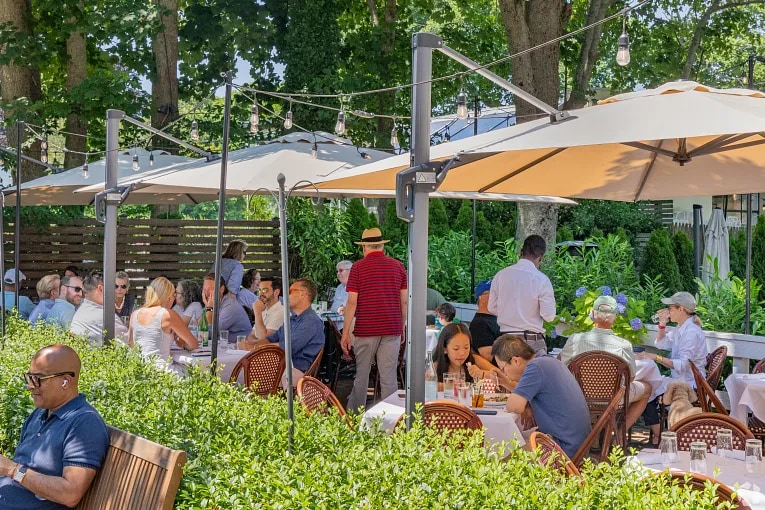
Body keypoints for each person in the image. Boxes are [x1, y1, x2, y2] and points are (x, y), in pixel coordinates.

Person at [0, 344, 109, 509]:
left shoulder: (84, 423)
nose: (30, 386)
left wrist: (13, 470)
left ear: (65, 381)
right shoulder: (40, 413)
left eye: (38, 379)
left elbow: (70, 493)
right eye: (29, 378)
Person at [559, 295, 651, 429]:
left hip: (579, 397)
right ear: (616, 317)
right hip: (613, 399)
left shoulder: (575, 340)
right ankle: (618, 434)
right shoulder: (624, 345)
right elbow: (631, 378)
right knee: (647, 389)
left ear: (592, 314)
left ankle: (594, 435)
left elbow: (561, 367)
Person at [493, 335, 591, 458]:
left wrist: (524, 404)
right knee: (511, 441)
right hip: (575, 443)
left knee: (499, 453)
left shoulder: (535, 367)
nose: (503, 373)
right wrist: (506, 383)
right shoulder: (547, 361)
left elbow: (514, 406)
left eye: (502, 368)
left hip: (562, 448)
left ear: (515, 361)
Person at [342, 227, 407, 411]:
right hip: (392, 328)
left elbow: (352, 302)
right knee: (389, 378)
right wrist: (401, 326)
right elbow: (404, 302)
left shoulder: (358, 267)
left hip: (366, 328)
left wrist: (345, 332)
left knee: (362, 376)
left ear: (364, 247)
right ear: (382, 247)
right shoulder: (398, 266)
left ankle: (354, 418)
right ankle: (392, 421)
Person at [636, 291, 708, 445]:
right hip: (679, 379)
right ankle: (659, 435)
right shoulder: (681, 328)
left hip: (688, 384)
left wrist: (655, 357)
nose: (668, 311)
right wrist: (662, 324)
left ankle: (659, 436)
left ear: (681, 309)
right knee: (646, 387)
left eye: (670, 308)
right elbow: (661, 344)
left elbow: (681, 366)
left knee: (645, 390)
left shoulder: (691, 333)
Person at [488, 234, 556, 356]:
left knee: (506, 375)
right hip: (531, 341)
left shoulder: (501, 275)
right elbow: (549, 316)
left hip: (505, 340)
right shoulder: (542, 280)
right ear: (541, 258)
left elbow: (491, 308)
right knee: (534, 375)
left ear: (521, 251)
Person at [255, 278, 324, 380]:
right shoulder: (292, 319)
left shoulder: (311, 321)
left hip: (296, 373)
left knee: (248, 371)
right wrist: (251, 345)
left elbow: (286, 348)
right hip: (281, 367)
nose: (286, 295)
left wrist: (255, 349)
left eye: (290, 292)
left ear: (302, 294)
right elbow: (270, 338)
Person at [129, 277, 198, 373]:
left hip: (140, 371)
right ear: (169, 297)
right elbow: (193, 344)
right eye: (173, 295)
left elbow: (131, 344)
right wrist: (182, 344)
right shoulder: (168, 314)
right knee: (196, 373)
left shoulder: (134, 314)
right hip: (162, 373)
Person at [69, 271, 128, 346]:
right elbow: (129, 344)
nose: (115, 292)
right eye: (112, 287)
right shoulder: (106, 317)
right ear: (101, 289)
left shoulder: (79, 312)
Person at [201, 273, 252, 341]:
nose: (207, 293)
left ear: (222, 289)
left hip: (241, 349)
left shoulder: (230, 307)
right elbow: (199, 326)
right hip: (227, 348)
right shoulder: (215, 304)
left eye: (211, 289)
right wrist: (207, 307)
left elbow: (208, 333)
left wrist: (209, 308)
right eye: (205, 289)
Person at [469, 279, 500, 361]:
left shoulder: (496, 319)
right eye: (493, 294)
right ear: (481, 298)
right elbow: (489, 356)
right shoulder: (479, 324)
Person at [247, 276, 284, 342]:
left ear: (276, 292)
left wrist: (257, 312)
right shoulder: (264, 310)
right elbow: (250, 337)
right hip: (259, 350)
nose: (260, 294)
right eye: (259, 290)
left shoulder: (281, 312)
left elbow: (264, 338)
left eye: (265, 290)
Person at [331, 260, 352, 330]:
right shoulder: (339, 287)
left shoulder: (356, 287)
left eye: (341, 270)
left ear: (350, 271)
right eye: (337, 271)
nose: (338, 273)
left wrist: (342, 307)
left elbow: (348, 309)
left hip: (351, 327)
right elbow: (333, 308)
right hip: (338, 327)